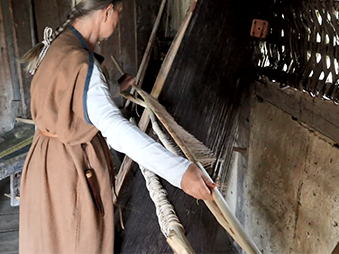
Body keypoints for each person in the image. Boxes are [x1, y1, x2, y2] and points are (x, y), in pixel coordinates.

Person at [19, 0, 216, 253]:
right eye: (119, 13)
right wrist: (180, 172)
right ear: (107, 10)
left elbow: (72, 100)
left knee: (49, 242)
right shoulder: (83, 64)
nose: (118, 19)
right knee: (77, 241)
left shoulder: (57, 46)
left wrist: (114, 89)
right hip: (71, 170)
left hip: (43, 166)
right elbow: (115, 129)